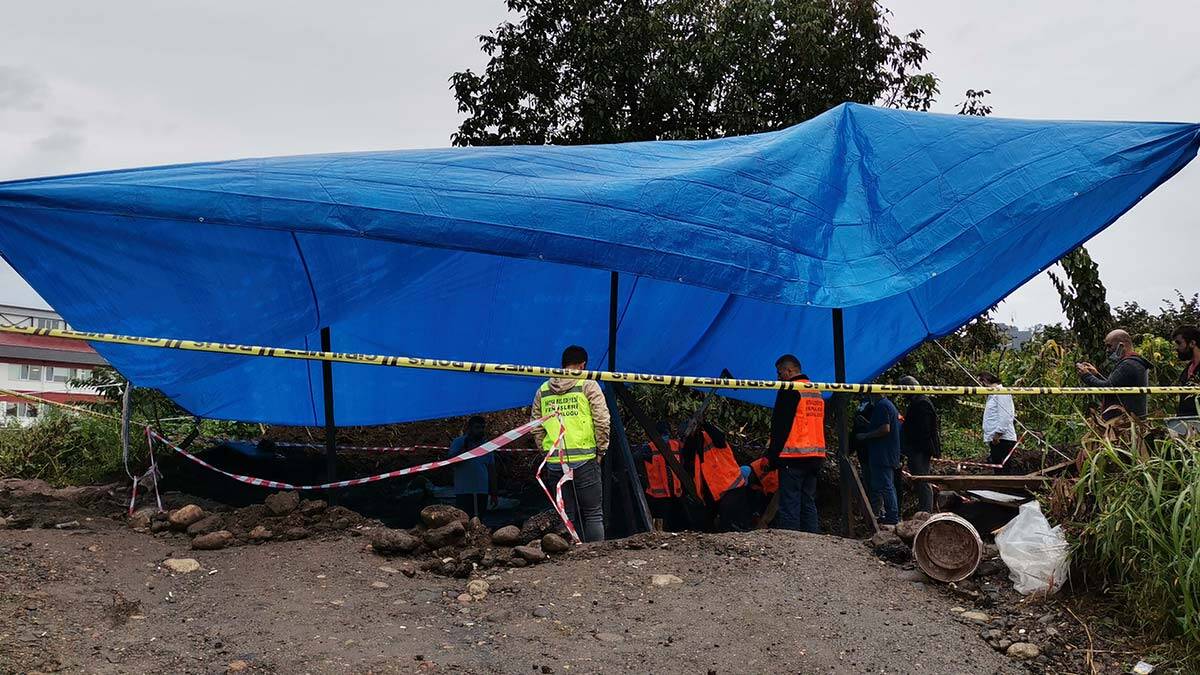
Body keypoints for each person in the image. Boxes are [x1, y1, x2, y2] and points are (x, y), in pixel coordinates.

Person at [531, 345, 610, 542]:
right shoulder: (588, 384)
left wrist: (546, 452)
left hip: (555, 462)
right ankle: (597, 555)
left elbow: (536, 426)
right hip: (585, 459)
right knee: (593, 513)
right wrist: (601, 451)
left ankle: (569, 556)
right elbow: (602, 420)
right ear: (583, 365)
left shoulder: (543, 390)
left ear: (563, 364)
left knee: (566, 516)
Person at [766, 354, 826, 533]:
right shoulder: (816, 391)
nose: (778, 377)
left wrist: (772, 457)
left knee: (790, 503)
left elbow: (780, 425)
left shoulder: (790, 389)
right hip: (815, 456)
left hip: (793, 456)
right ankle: (812, 541)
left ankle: (791, 543)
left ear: (789, 370)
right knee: (808, 501)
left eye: (780, 373)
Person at [681, 421, 749, 531]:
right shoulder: (693, 446)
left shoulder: (712, 437)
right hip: (712, 492)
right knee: (706, 524)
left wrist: (704, 423)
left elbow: (720, 438)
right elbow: (687, 456)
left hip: (730, 487)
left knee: (727, 522)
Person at [1075, 329, 1152, 420]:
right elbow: (1114, 386)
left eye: (1109, 346)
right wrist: (1096, 375)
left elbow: (1108, 388)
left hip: (1124, 421)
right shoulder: (1132, 362)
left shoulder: (1128, 364)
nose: (1107, 350)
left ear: (1121, 346)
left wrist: (1086, 376)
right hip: (1127, 419)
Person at [857, 392, 901, 526]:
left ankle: (892, 516)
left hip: (883, 454)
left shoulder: (882, 406)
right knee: (884, 485)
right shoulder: (887, 405)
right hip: (885, 453)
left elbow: (885, 429)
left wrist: (866, 435)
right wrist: (868, 425)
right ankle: (888, 514)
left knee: (886, 486)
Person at [633, 421, 687, 531]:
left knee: (674, 524)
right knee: (663, 524)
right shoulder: (650, 448)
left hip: (673, 493)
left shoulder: (675, 445)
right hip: (660, 495)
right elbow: (637, 458)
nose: (665, 436)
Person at [898, 375, 939, 513]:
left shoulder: (922, 403)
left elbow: (924, 430)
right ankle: (924, 508)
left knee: (922, 480)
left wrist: (912, 446)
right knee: (919, 479)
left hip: (920, 449)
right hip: (917, 449)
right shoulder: (918, 401)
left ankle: (926, 511)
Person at [447, 415, 497, 518]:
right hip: (464, 491)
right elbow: (452, 463)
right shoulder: (459, 442)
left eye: (482, 427)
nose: (480, 430)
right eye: (477, 427)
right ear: (469, 428)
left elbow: (491, 470)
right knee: (464, 520)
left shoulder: (487, 445)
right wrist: (465, 449)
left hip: (482, 491)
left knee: (479, 521)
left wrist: (494, 493)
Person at [978, 372, 1017, 472]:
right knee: (997, 468)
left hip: (1002, 439)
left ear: (985, 381)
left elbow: (1006, 415)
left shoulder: (1001, 393)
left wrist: (998, 434)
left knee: (1004, 469)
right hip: (996, 439)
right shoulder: (993, 395)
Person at [1171, 325, 1200, 418]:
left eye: (1179, 343)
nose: (1176, 348)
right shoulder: (1187, 369)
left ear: (1192, 343)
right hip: (1185, 422)